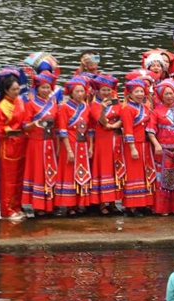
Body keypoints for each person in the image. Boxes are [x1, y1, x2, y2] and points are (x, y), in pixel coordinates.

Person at [21, 71, 58, 217]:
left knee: (50, 172)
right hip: (36, 143)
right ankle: (38, 206)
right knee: (38, 173)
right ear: (37, 88)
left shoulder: (54, 103)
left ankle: (50, 203)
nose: (46, 90)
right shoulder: (30, 104)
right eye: (43, 87)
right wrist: (35, 124)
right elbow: (24, 126)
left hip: (50, 142)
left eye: (48, 87)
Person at [54, 78, 93, 216]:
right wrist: (68, 150)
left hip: (83, 143)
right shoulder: (65, 107)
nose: (80, 94)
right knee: (70, 173)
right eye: (77, 91)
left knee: (81, 172)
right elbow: (62, 130)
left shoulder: (86, 107)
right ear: (71, 93)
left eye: (82, 91)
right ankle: (69, 205)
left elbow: (90, 129)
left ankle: (79, 203)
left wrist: (91, 146)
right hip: (70, 143)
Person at [0, 75, 27, 221]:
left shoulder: (20, 102)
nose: (16, 91)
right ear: (6, 90)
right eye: (13, 89)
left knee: (19, 179)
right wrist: (11, 131)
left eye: (18, 88)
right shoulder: (1, 107)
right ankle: (7, 210)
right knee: (9, 181)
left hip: (21, 145)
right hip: (9, 147)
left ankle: (17, 206)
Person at [121, 79, 156, 216]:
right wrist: (132, 148)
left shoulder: (145, 108)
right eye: (137, 91)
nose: (140, 94)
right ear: (130, 94)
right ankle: (132, 206)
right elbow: (128, 130)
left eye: (142, 91)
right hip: (134, 145)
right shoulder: (127, 109)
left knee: (144, 174)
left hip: (145, 145)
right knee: (134, 175)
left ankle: (143, 203)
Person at [149, 80, 174, 216]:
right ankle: (162, 208)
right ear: (161, 96)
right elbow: (151, 131)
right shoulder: (156, 112)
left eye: (171, 93)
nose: (169, 96)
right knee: (162, 179)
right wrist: (156, 144)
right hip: (162, 151)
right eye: (166, 94)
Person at [91, 74, 123, 215]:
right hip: (102, 141)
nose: (106, 93)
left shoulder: (116, 102)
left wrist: (116, 124)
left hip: (115, 139)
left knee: (114, 169)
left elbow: (123, 116)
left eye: (108, 90)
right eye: (103, 90)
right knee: (104, 171)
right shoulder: (94, 105)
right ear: (97, 91)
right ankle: (102, 203)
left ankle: (113, 202)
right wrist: (103, 109)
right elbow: (102, 121)